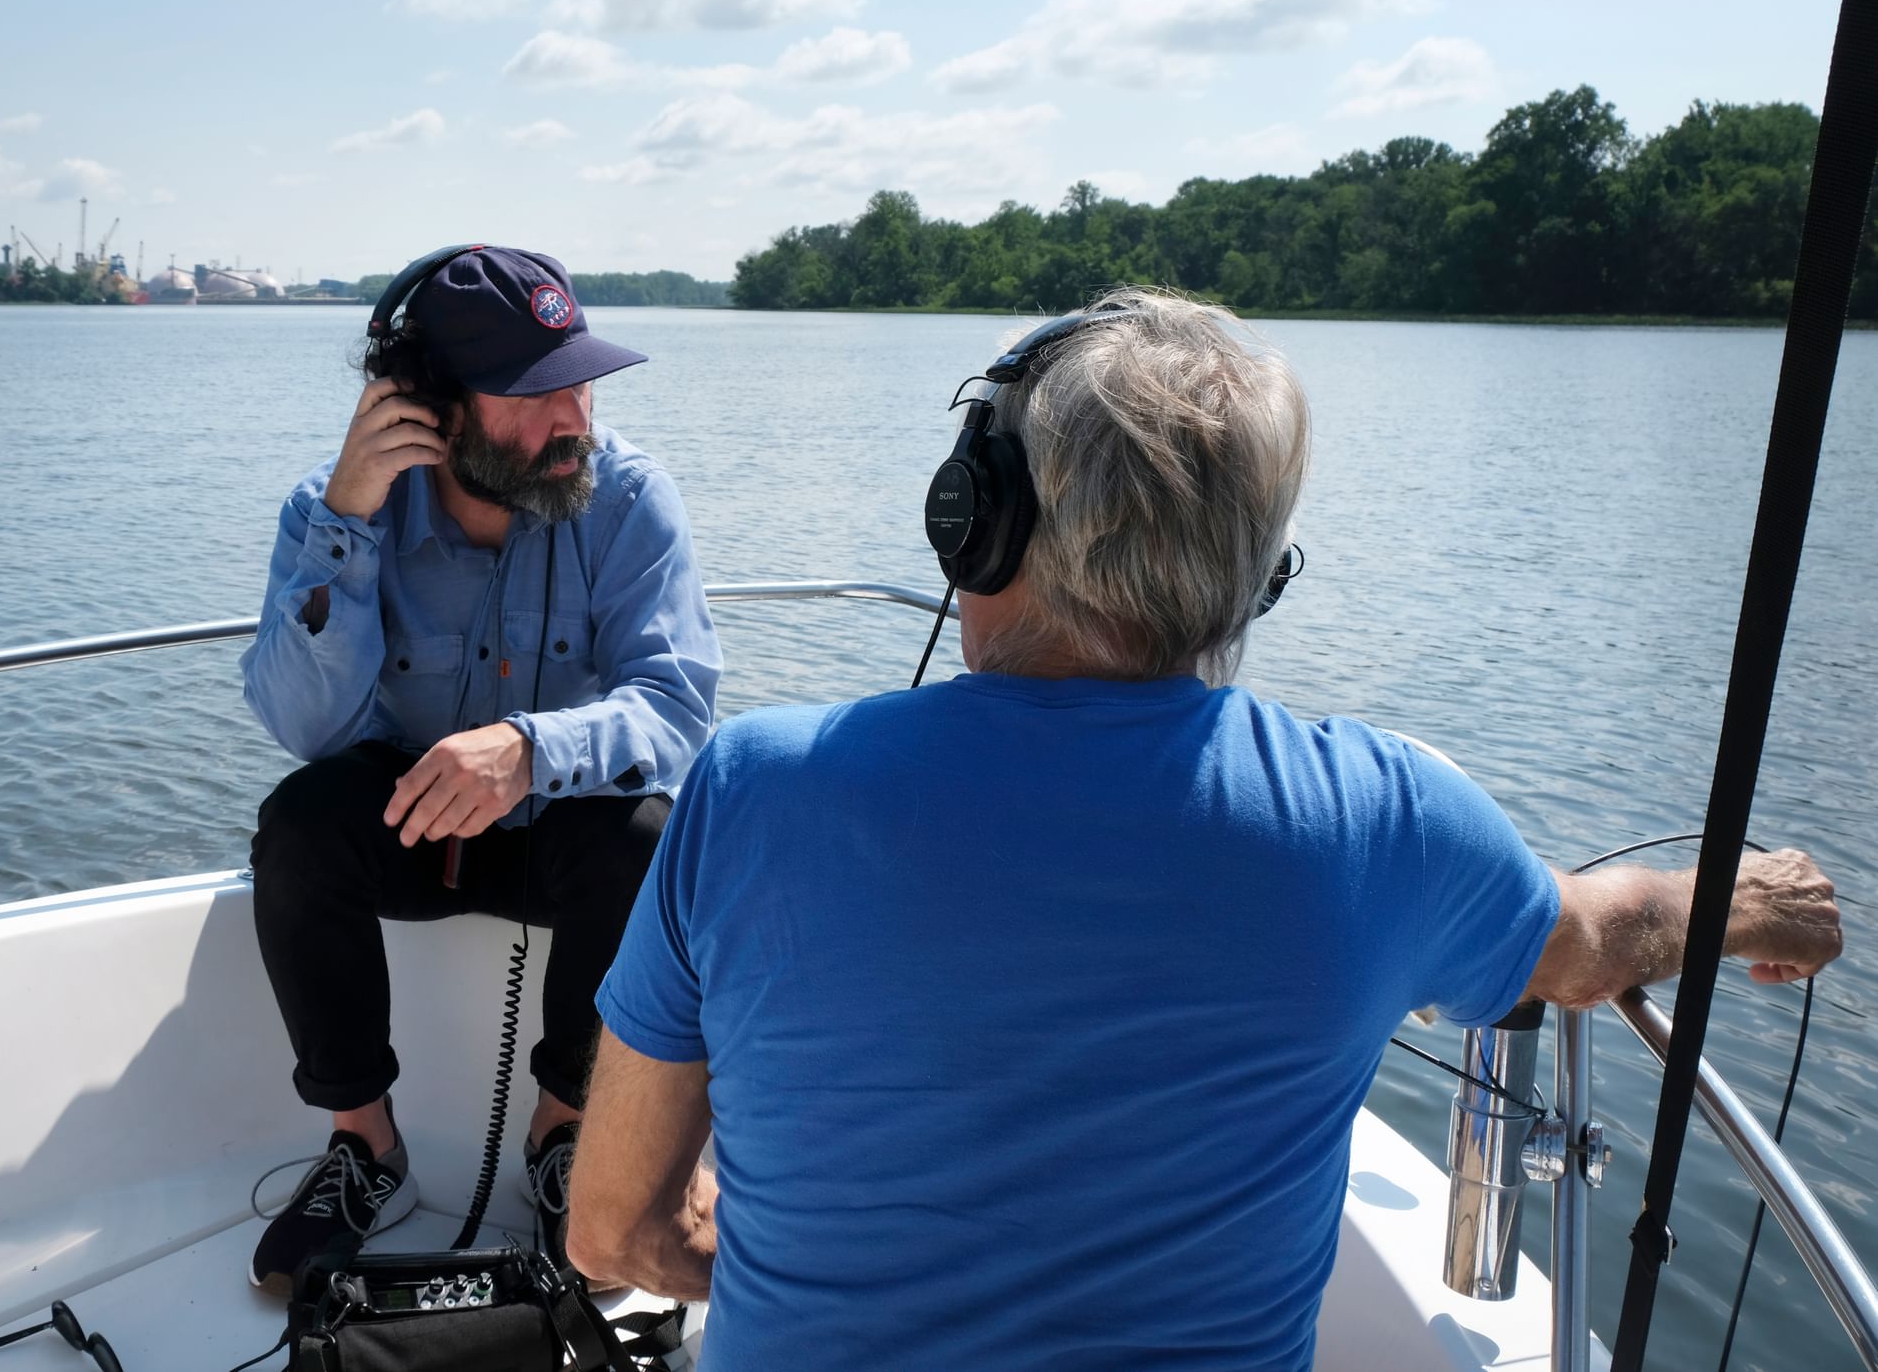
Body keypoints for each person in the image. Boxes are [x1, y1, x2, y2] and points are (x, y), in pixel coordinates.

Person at [567, 287, 1844, 1369]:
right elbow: (1593, 941)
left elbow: (612, 1233)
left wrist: (760, 1244)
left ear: (976, 517)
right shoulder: (1383, 820)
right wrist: (1747, 901)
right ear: (1259, 573)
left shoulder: (754, 786)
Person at [239, 244, 721, 1292]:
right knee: (300, 823)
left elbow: (675, 704)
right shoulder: (327, 511)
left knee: (646, 836)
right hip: (410, 822)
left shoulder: (629, 497)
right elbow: (301, 724)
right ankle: (367, 1148)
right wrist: (347, 524)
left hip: (562, 831)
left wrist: (533, 749)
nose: (574, 421)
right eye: (536, 396)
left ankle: (567, 1139)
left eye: (581, 382)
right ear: (432, 407)